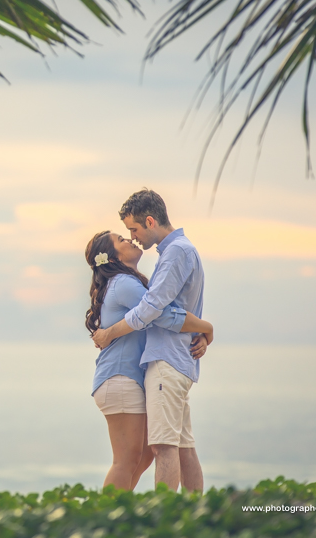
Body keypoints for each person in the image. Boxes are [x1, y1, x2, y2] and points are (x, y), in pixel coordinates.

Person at [92, 189, 210, 493]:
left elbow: (154, 310)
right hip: (139, 371)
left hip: (164, 362)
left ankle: (149, 519)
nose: (132, 237)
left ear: (149, 220)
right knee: (158, 452)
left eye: (132, 230)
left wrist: (203, 328)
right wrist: (203, 327)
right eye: (125, 236)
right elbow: (158, 312)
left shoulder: (174, 253)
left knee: (158, 451)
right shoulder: (127, 282)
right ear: (114, 257)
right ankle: (122, 518)